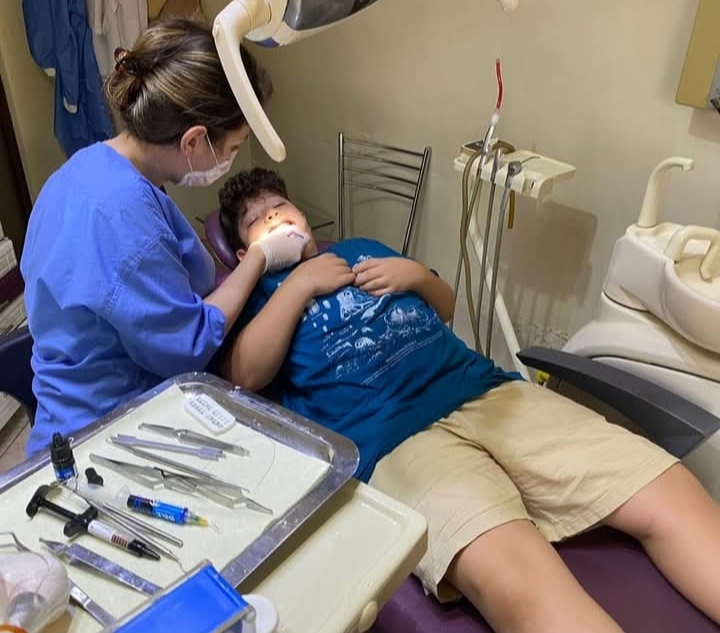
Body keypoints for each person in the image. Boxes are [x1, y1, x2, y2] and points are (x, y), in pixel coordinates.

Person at [216, 167, 720, 633]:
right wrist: (298, 283)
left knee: (666, 488)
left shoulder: (360, 248)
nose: (275, 218)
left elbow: (445, 305)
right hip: (398, 444)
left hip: (487, 392)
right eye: (257, 221)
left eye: (280, 206)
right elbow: (245, 375)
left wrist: (417, 276)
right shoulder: (255, 295)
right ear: (244, 254)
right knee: (520, 581)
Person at [20, 19, 308, 456]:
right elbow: (187, 347)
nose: (230, 160)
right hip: (106, 438)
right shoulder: (127, 220)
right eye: (232, 148)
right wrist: (259, 258)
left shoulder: (81, 169)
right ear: (193, 141)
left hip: (62, 410)